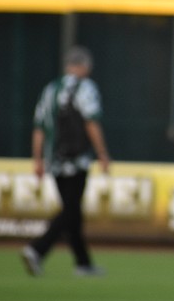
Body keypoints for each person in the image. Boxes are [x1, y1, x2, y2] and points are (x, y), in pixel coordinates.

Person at [20, 45, 111, 277]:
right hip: (76, 160)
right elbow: (91, 121)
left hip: (54, 161)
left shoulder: (50, 89)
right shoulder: (85, 87)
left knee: (73, 211)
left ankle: (83, 263)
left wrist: (37, 159)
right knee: (71, 211)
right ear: (83, 66)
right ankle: (37, 249)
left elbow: (39, 127)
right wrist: (102, 153)